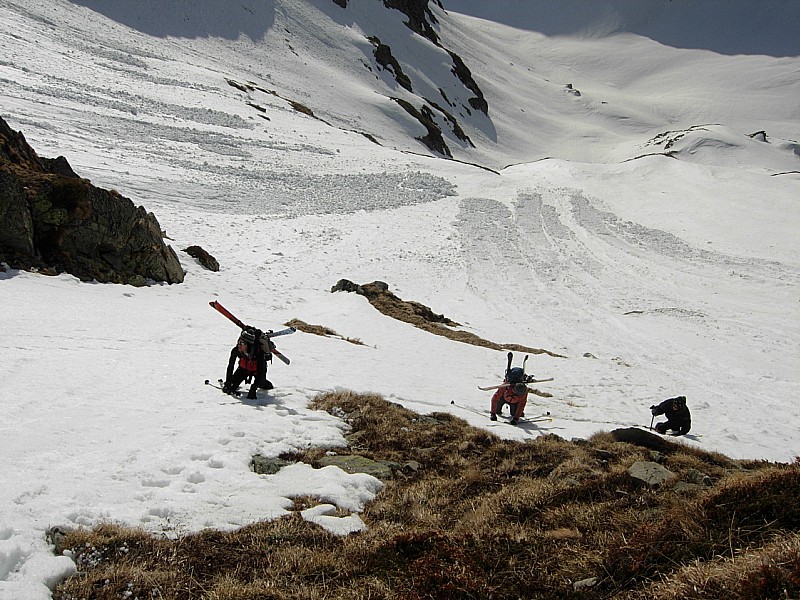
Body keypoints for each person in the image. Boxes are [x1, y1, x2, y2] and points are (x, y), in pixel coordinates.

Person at [222, 328, 273, 399]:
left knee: (263, 384)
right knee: (233, 385)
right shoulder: (236, 350)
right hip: (243, 370)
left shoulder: (258, 353)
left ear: (248, 345)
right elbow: (230, 366)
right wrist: (228, 383)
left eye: (242, 343)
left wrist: (254, 388)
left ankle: (265, 383)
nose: (239, 345)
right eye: (238, 342)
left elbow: (261, 371)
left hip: (257, 372)